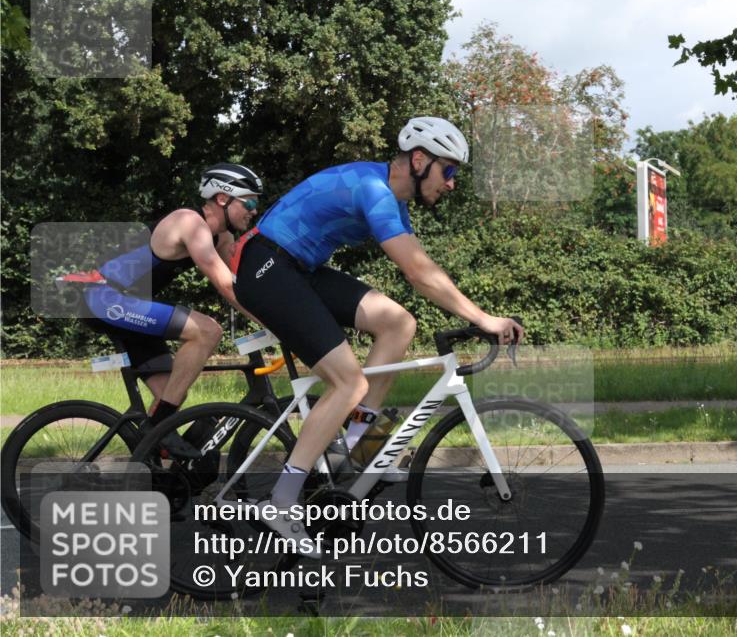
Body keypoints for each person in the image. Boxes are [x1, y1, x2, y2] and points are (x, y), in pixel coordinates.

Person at [231, 117, 524, 552]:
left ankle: (360, 446)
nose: (452, 183)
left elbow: (421, 266)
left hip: (297, 268)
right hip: (266, 268)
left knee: (398, 323)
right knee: (349, 381)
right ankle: (283, 499)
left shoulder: (392, 199)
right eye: (449, 171)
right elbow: (418, 272)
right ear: (420, 160)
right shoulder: (374, 190)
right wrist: (483, 318)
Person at [66, 163, 263, 457]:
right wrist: (275, 324)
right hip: (103, 298)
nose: (254, 210)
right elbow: (225, 286)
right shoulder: (190, 222)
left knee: (172, 394)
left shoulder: (223, 237)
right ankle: (155, 429)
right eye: (249, 201)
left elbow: (241, 284)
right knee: (208, 331)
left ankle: (156, 470)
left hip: (127, 306)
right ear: (223, 198)